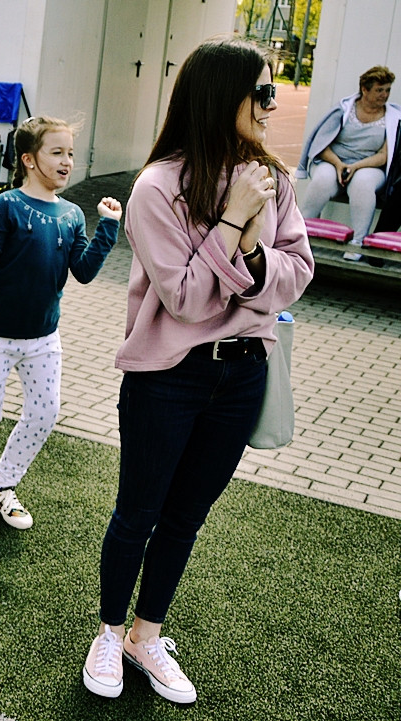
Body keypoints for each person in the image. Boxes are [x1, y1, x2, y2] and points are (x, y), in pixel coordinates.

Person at [81, 35, 313, 704]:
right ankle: (108, 630)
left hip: (243, 375)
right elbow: (182, 297)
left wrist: (251, 249)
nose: (272, 104)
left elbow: (296, 274)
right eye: (262, 92)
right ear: (222, 98)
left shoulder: (275, 177)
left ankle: (145, 635)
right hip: (168, 377)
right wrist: (236, 222)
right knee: (139, 512)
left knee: (186, 516)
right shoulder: (158, 185)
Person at [0, 117, 122, 529]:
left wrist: (109, 229)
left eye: (71, 154)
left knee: (45, 412)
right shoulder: (6, 204)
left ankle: (2, 485)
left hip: (43, 337)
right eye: (57, 153)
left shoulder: (73, 214)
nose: (67, 162)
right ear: (28, 159)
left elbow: (82, 271)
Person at [297, 66, 399, 261]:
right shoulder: (343, 109)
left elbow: (385, 154)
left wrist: (355, 167)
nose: (384, 95)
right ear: (365, 89)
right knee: (322, 181)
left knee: (362, 184)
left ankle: (357, 243)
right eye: (379, 90)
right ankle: (300, 235)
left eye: (387, 90)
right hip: (335, 161)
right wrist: (339, 165)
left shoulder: (393, 117)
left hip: (370, 165)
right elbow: (322, 144)